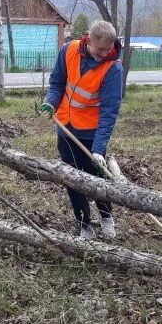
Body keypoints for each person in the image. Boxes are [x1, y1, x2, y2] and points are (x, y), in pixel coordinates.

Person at [38, 20, 124, 240]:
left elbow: (109, 111)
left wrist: (98, 148)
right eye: (100, 49)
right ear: (89, 39)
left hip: (92, 132)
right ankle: (84, 223)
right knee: (72, 178)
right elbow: (57, 83)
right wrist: (52, 103)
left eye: (108, 49)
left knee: (98, 178)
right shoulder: (69, 51)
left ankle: (106, 217)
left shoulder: (113, 68)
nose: (104, 53)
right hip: (66, 127)